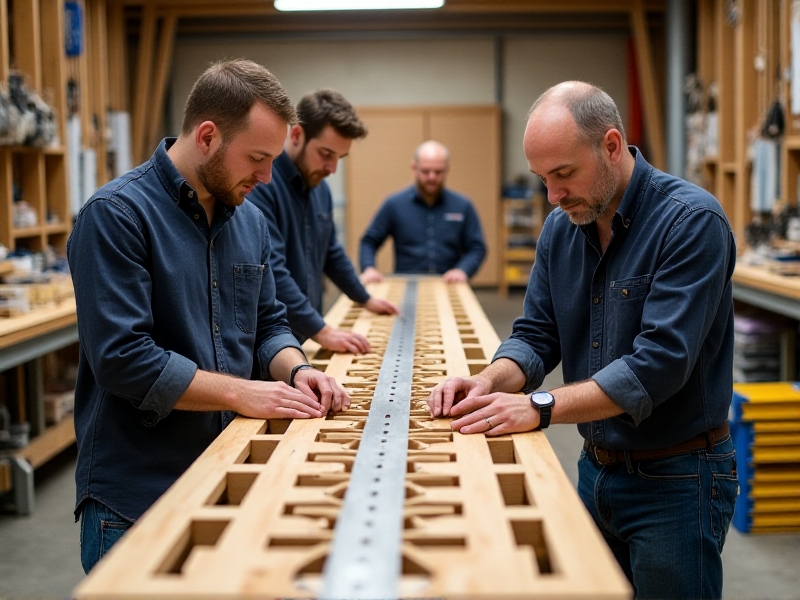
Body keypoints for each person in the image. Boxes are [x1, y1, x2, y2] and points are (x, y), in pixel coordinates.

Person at [427, 81, 737, 600]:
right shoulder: (561, 228)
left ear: (611, 146)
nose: (553, 194)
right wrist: (485, 382)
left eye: (564, 174)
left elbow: (656, 366)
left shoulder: (691, 223)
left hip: (679, 481)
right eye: (542, 178)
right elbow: (536, 334)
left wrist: (539, 407)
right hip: (596, 470)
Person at [67, 59, 350, 574]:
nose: (267, 177)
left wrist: (298, 370)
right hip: (139, 494)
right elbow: (122, 359)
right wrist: (244, 392)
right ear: (207, 136)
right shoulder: (116, 216)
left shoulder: (250, 221)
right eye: (257, 158)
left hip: (229, 469)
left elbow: (269, 325)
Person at [247, 89, 398, 355]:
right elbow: (273, 270)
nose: (332, 169)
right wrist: (323, 330)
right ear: (296, 135)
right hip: (269, 343)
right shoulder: (262, 186)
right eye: (326, 153)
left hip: (306, 333)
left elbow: (331, 251)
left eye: (339, 158)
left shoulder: (320, 189)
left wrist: (364, 298)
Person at [359, 140, 486, 284]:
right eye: (426, 171)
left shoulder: (463, 206)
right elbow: (369, 241)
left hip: (449, 284)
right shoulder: (394, 204)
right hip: (405, 284)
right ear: (414, 167)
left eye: (438, 172)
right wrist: (369, 268)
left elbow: (477, 247)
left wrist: (463, 270)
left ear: (447, 170)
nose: (432, 177)